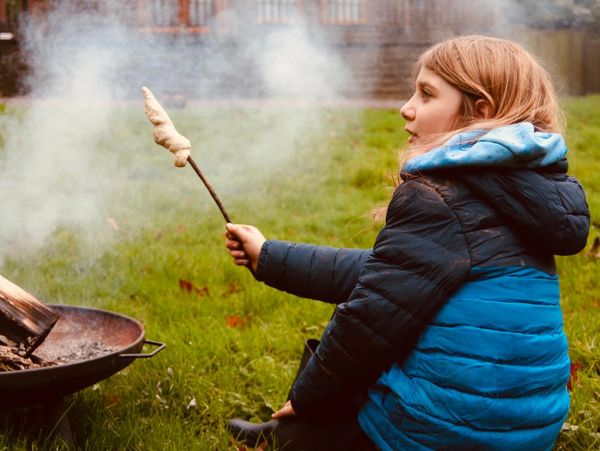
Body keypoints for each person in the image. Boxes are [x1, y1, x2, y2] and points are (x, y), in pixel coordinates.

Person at [224, 35, 590, 450]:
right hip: (525, 431)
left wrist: (306, 400)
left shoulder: (439, 198)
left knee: (354, 341)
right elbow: (390, 272)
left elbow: (369, 323)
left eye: (427, 94)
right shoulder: (523, 193)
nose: (406, 107)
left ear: (480, 113)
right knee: (390, 301)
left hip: (442, 434)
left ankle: (295, 432)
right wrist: (269, 257)